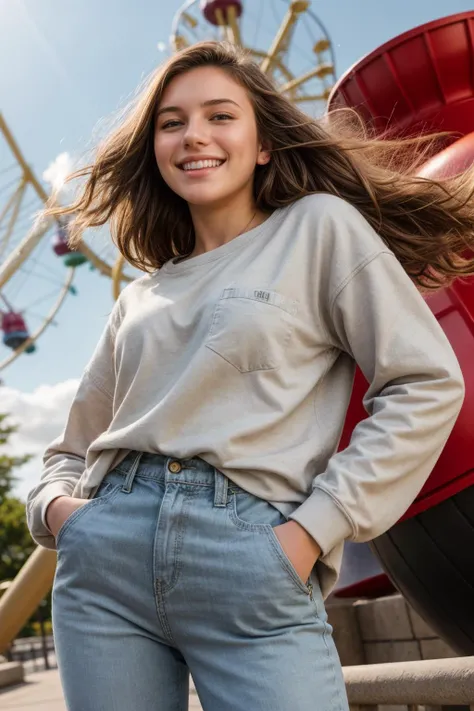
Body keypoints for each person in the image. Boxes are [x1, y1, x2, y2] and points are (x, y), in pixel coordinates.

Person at [27, 41, 472, 711]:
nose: (194, 135)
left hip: (252, 555)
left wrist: (312, 530)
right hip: (105, 568)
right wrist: (61, 515)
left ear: (263, 142)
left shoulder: (319, 230)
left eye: (220, 115)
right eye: (171, 122)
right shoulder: (142, 297)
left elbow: (425, 383)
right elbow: (71, 448)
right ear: (156, 148)